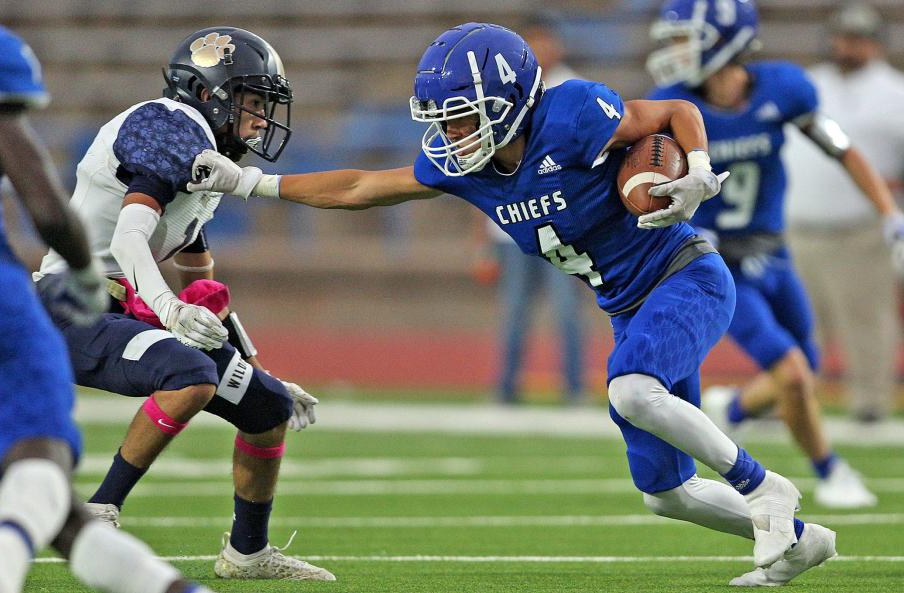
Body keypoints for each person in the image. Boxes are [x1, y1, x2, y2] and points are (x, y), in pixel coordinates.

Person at [188, 21, 834, 586]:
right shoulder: (462, 165)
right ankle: (804, 538)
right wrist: (250, 181)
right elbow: (361, 184)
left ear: (511, 100)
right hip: (629, 306)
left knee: (631, 390)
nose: (450, 131)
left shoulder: (574, 114)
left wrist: (694, 168)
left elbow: (669, 113)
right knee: (665, 493)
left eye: (463, 114)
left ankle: (765, 488)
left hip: (685, 275)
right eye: (443, 117)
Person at [31, 27, 334, 581]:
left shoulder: (206, 155)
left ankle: (247, 554)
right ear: (208, 91)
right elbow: (128, 239)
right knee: (189, 373)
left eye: (266, 104)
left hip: (125, 307)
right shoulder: (167, 125)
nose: (262, 117)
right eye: (252, 100)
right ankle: (97, 514)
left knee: (267, 409)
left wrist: (254, 364)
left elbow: (200, 275)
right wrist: (170, 311)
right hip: (72, 305)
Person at [0, 19, 218, 593]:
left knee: (59, 516)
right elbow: (43, 204)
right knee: (38, 460)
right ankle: (5, 550)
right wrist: (86, 275)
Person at [646, 0, 899, 516]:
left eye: (684, 38)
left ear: (727, 40)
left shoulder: (784, 89)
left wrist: (887, 211)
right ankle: (831, 470)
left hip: (773, 251)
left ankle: (734, 407)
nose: (675, 52)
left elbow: (842, 150)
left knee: (805, 363)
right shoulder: (670, 105)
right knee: (792, 372)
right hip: (713, 263)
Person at [783, 2, 904, 424]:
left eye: (858, 38)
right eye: (843, 37)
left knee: (867, 323)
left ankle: (871, 404)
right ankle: (794, 402)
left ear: (876, 44)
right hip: (799, 226)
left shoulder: (895, 93)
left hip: (860, 230)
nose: (848, 46)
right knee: (797, 323)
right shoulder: (808, 85)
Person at [473, 20, 589, 405]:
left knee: (567, 313)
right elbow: (480, 166)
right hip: (510, 227)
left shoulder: (571, 88)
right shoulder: (497, 91)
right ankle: (505, 388)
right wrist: (482, 239)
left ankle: (574, 389)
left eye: (545, 41)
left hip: (559, 223)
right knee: (514, 315)